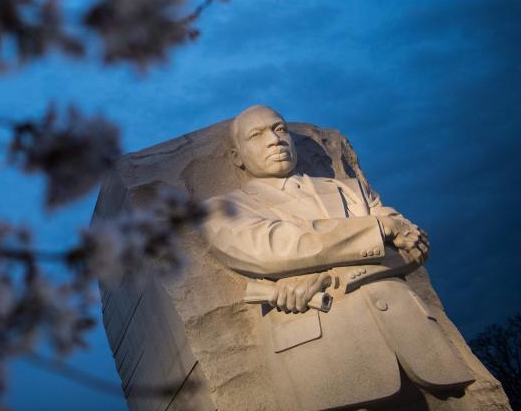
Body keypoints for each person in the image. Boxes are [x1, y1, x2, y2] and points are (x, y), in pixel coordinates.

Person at [203, 105, 474, 410]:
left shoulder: (350, 190)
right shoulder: (224, 208)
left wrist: (324, 276)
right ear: (236, 156)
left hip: (417, 346)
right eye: (256, 134)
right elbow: (272, 248)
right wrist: (379, 228)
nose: (274, 140)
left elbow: (414, 246)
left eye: (279, 129)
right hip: (326, 356)